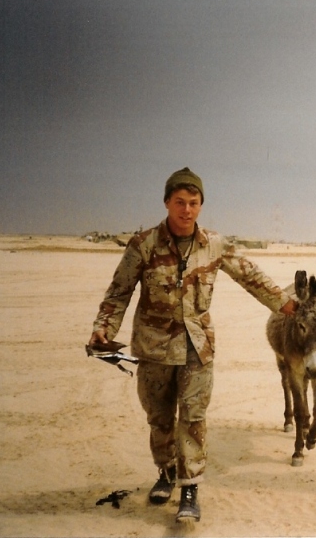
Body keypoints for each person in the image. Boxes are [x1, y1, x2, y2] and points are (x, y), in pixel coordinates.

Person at [88, 167, 297, 523]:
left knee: (194, 419)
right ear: (167, 202)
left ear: (201, 206)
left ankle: (190, 488)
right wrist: (103, 328)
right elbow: (119, 291)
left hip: (198, 347)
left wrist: (285, 303)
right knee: (159, 418)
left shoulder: (214, 244)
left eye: (194, 203)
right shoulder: (144, 245)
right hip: (153, 348)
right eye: (180, 202)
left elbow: (250, 276)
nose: (186, 210)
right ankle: (166, 472)